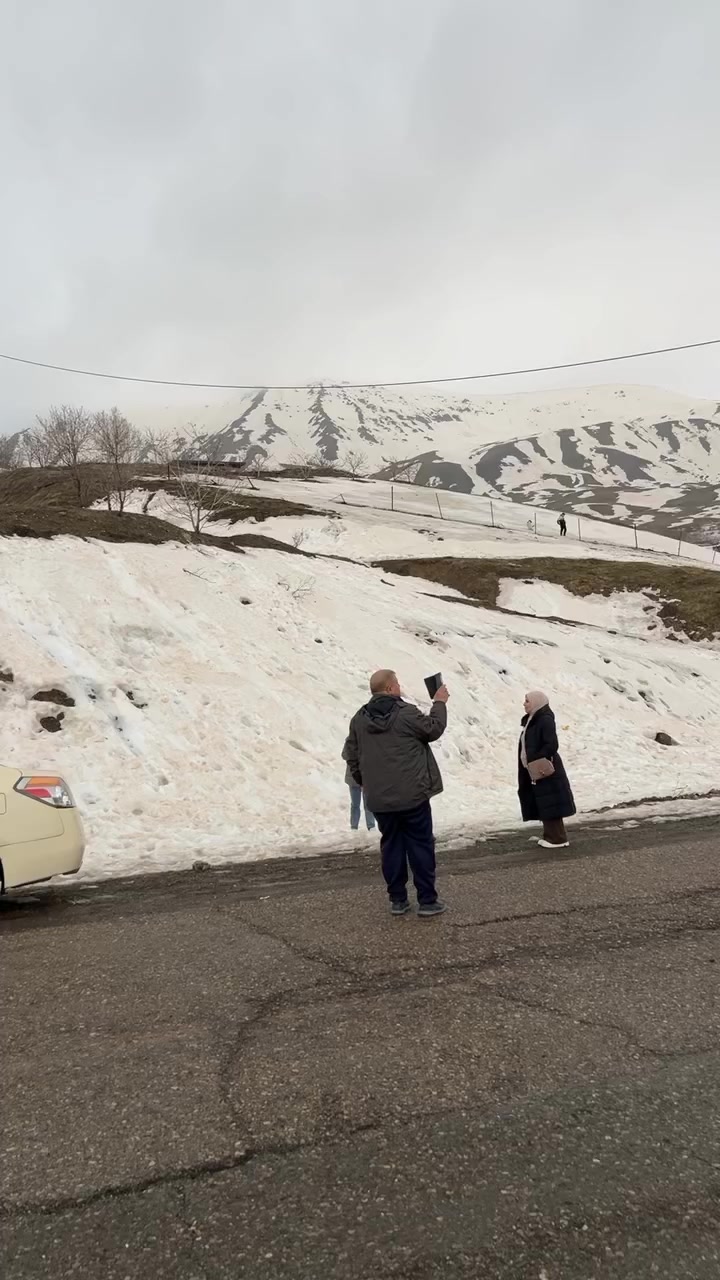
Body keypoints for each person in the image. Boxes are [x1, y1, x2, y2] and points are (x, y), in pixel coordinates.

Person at [343, 669, 449, 917]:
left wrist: (366, 783)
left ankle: (398, 900)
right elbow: (433, 729)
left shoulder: (359, 719)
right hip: (412, 795)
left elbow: (352, 756)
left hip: (380, 800)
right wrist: (439, 703)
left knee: (391, 845)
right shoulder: (406, 713)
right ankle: (427, 900)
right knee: (420, 845)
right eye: (398, 684)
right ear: (390, 688)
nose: (400, 687)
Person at [518, 690, 576, 848]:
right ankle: (552, 836)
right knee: (546, 802)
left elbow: (551, 744)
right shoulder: (533, 719)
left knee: (550, 802)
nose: (524, 704)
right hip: (537, 767)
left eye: (527, 701)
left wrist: (537, 758)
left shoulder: (544, 719)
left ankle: (557, 838)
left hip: (544, 768)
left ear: (536, 702)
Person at [342, 752, 376, 832]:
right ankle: (354, 826)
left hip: (366, 778)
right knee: (355, 804)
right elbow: (344, 755)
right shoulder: (349, 742)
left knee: (367, 803)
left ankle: (371, 825)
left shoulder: (367, 742)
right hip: (353, 778)